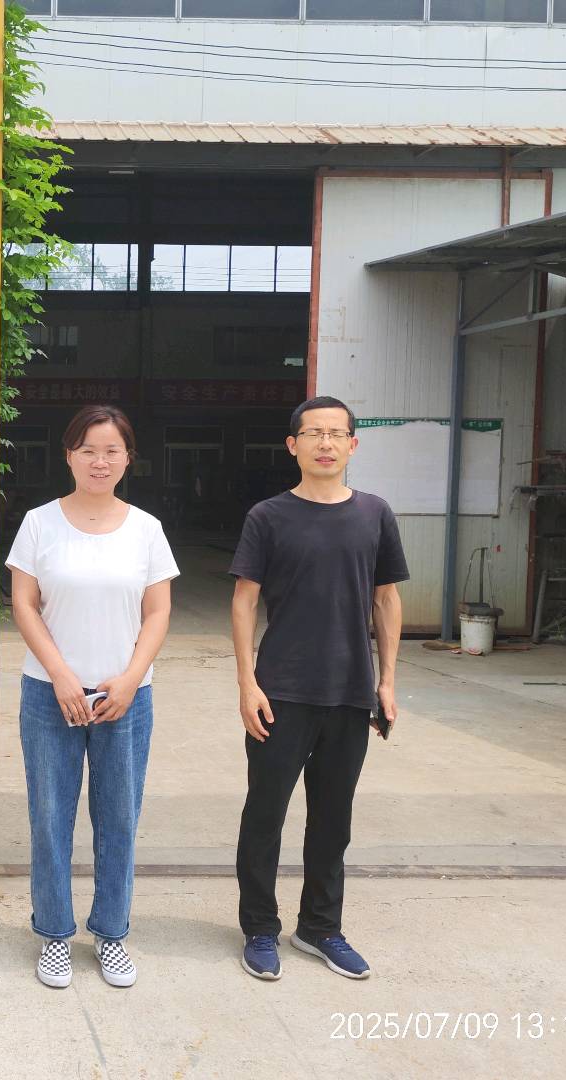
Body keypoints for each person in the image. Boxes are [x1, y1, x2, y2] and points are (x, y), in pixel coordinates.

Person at [229, 395, 408, 982]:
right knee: (266, 814)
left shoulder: (374, 514)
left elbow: (386, 598)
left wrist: (387, 680)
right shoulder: (269, 516)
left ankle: (320, 927)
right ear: (293, 445)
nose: (325, 443)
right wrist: (247, 683)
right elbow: (244, 600)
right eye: (313, 434)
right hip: (281, 689)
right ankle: (259, 927)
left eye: (336, 434)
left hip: (351, 691)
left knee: (333, 818)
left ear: (353, 444)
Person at [6, 405, 178, 990]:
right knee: (50, 816)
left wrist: (130, 679)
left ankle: (111, 933)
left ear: (128, 459)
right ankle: (55, 934)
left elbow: (158, 612)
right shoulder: (39, 524)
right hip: (48, 694)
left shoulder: (146, 529)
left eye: (111, 451)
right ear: (69, 456)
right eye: (88, 450)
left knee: (118, 819)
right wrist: (59, 675)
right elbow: (24, 603)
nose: (99, 461)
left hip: (125, 699)